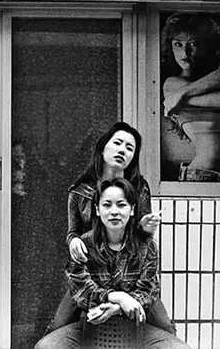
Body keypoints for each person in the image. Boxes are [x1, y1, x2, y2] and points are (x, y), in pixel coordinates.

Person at [45, 122, 176, 336]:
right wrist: (73, 241)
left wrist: (144, 227)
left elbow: (144, 242)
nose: (122, 150)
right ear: (103, 147)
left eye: (129, 148)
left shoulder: (140, 188)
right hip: (92, 272)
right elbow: (72, 232)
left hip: (130, 274)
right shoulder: (79, 191)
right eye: (117, 143)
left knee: (166, 329)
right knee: (57, 328)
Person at [35, 178, 189, 349]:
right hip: (93, 306)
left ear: (132, 209)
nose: (114, 211)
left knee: (173, 339)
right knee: (48, 342)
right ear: (97, 209)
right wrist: (117, 297)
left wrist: (118, 307)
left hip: (135, 310)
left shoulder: (147, 246)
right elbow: (80, 287)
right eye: (107, 205)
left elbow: (148, 290)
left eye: (121, 205)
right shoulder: (83, 244)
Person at [160, 12, 220, 182]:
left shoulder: (182, 91)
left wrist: (183, 94)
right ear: (171, 47)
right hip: (201, 173)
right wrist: (181, 92)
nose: (185, 52)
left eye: (193, 44)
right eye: (178, 44)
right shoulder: (172, 84)